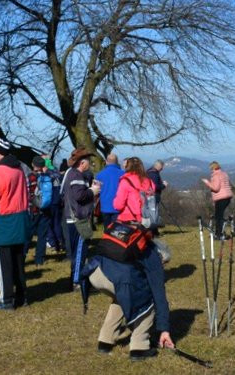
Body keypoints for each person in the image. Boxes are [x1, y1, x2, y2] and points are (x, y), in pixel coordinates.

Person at [82, 236, 175, 360]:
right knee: (150, 300)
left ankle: (105, 341)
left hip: (95, 272)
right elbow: (160, 298)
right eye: (164, 263)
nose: (163, 267)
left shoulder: (136, 243)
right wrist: (164, 330)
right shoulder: (154, 258)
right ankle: (139, 347)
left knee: (122, 297)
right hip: (115, 277)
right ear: (161, 257)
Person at [0, 138, 30, 310]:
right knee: (18, 262)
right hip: (20, 219)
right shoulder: (18, 169)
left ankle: (6, 299)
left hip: (3, 221)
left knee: (3, 263)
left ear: (0, 154)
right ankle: (22, 295)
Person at [61, 146, 101, 290]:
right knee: (79, 251)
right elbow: (80, 196)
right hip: (78, 219)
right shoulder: (77, 175)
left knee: (78, 251)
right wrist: (92, 191)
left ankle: (76, 278)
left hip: (74, 217)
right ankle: (77, 281)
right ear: (82, 163)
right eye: (88, 161)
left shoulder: (72, 174)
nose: (89, 163)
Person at [114, 157, 156, 224]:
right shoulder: (149, 181)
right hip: (147, 216)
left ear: (128, 166)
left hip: (129, 217)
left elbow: (119, 205)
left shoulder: (125, 181)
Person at [202, 161, 234, 239]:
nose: (211, 170)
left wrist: (207, 183)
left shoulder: (216, 176)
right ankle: (219, 232)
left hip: (221, 198)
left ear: (213, 168)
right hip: (228, 197)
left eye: (211, 169)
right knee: (220, 216)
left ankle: (219, 234)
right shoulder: (224, 174)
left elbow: (216, 188)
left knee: (218, 217)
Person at [96, 153, 124, 227]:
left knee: (107, 229)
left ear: (106, 161)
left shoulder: (99, 175)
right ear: (117, 162)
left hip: (105, 206)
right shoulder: (123, 174)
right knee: (117, 230)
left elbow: (96, 191)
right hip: (119, 206)